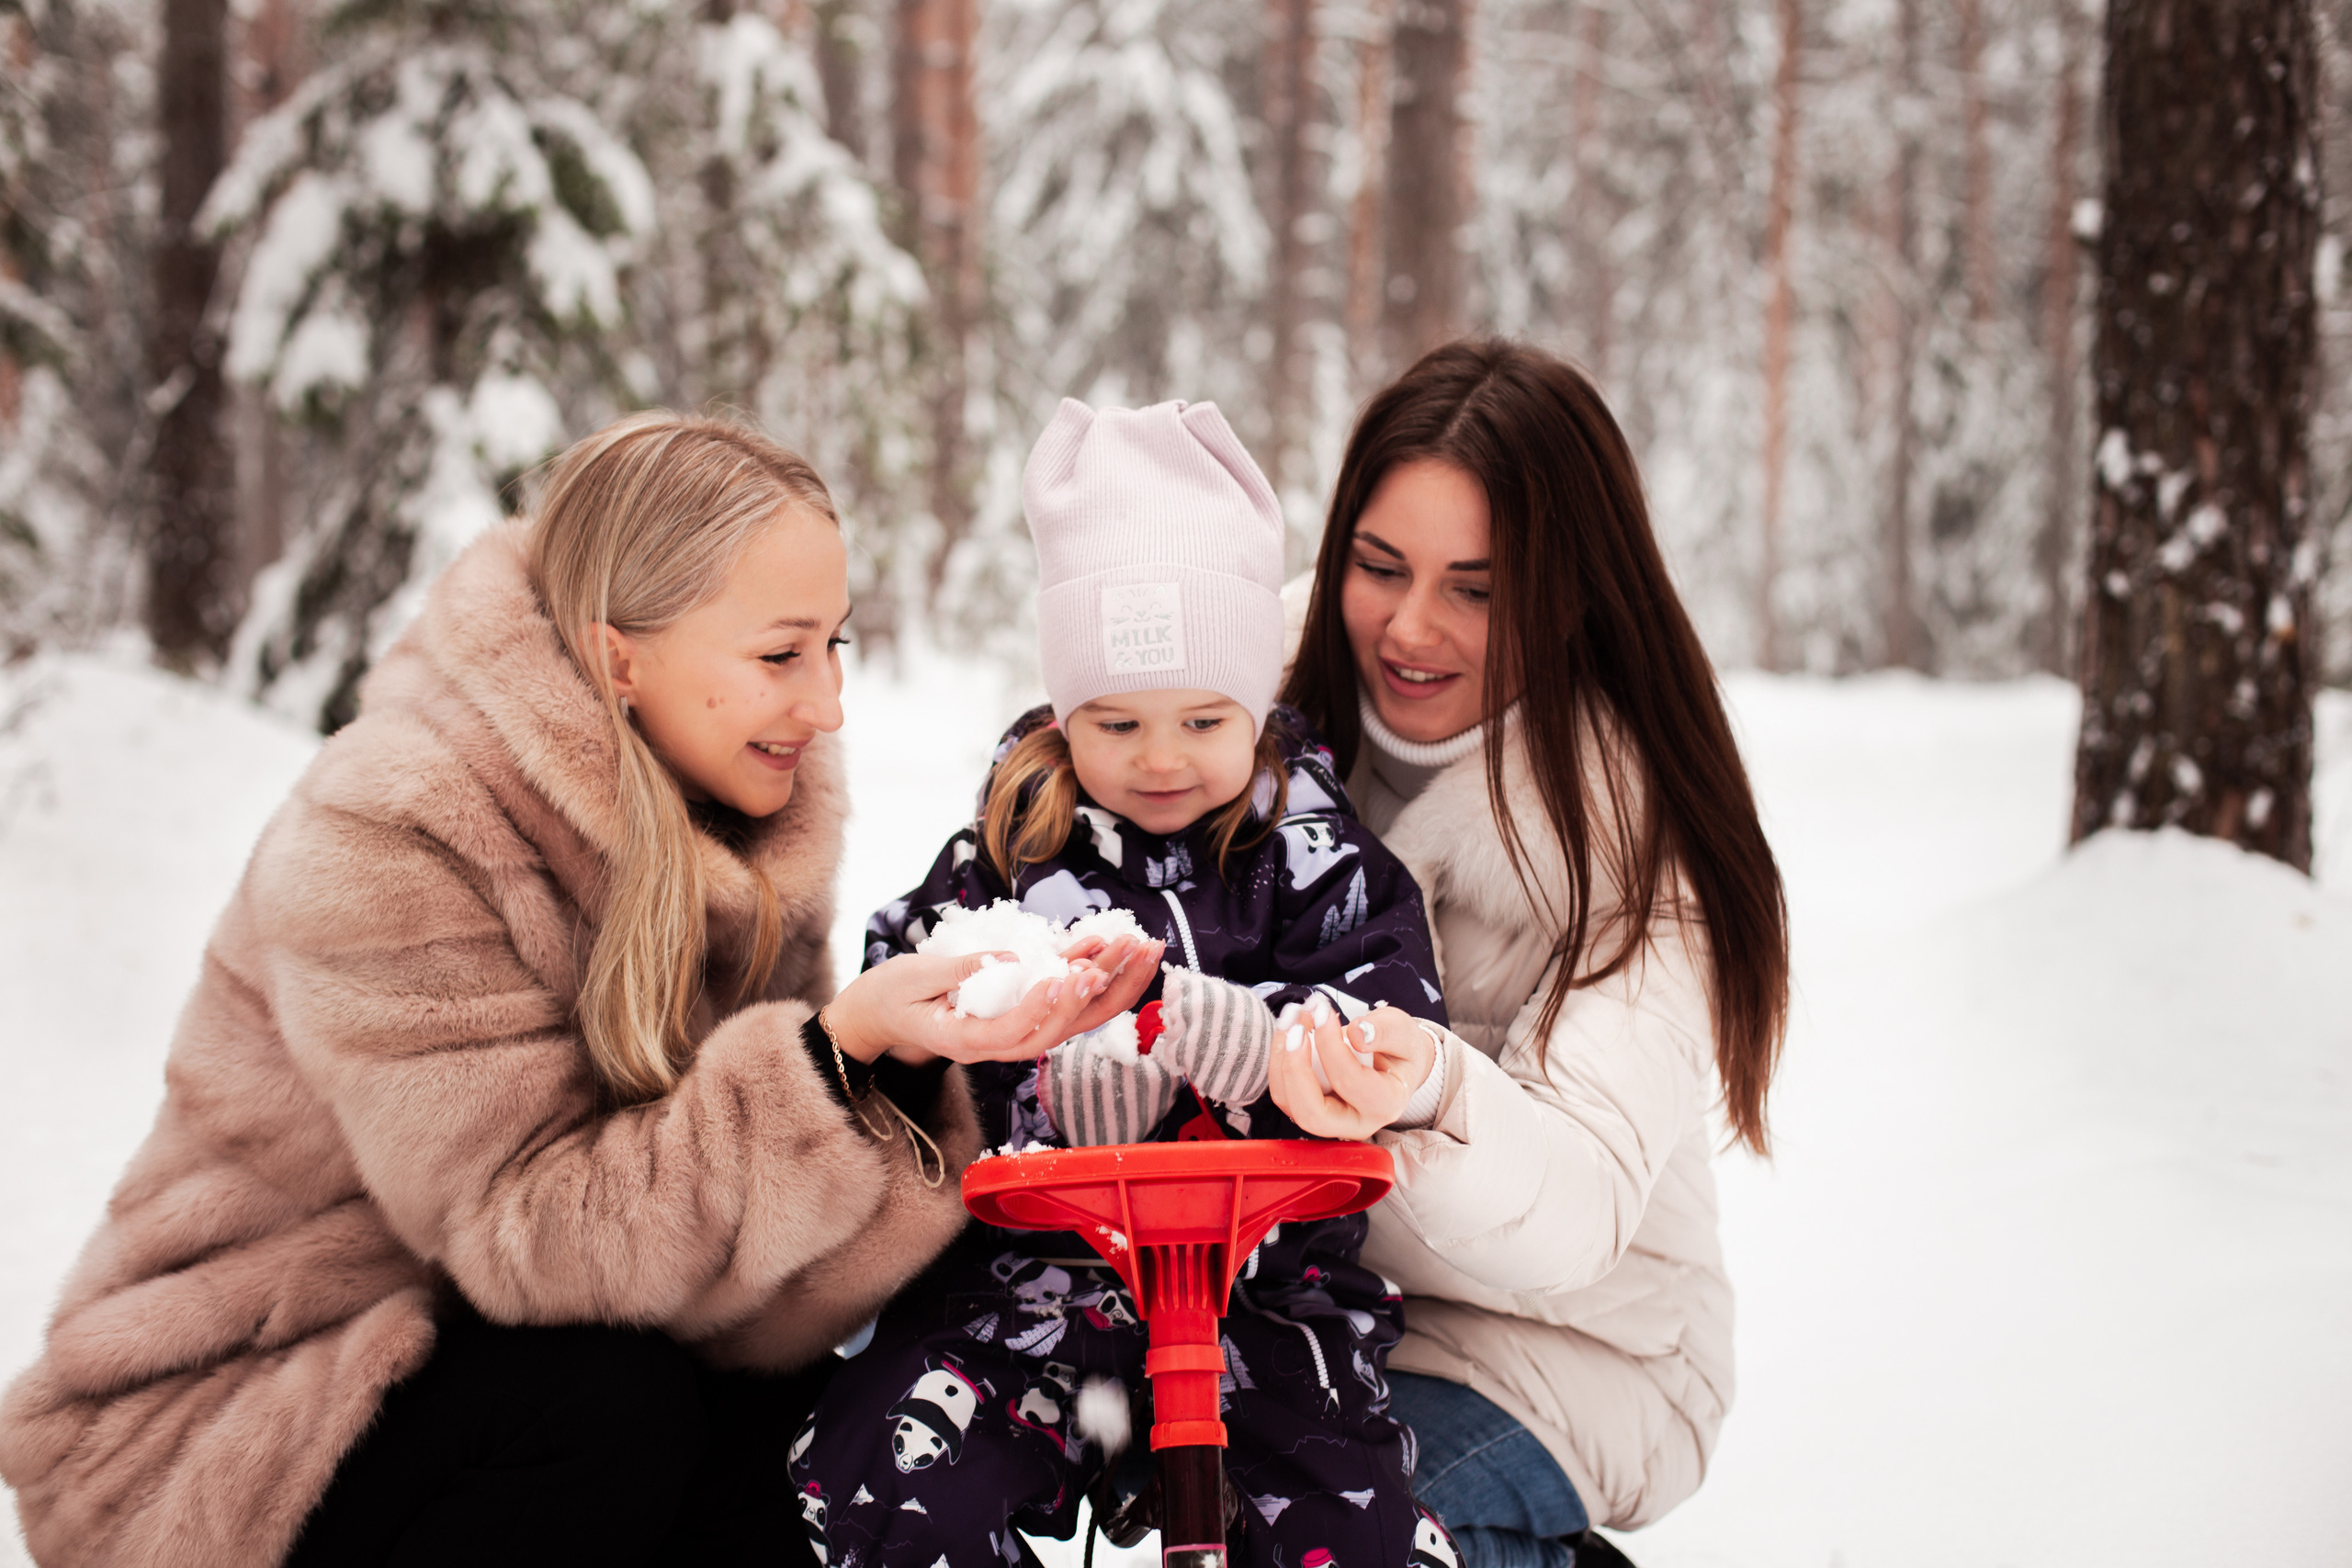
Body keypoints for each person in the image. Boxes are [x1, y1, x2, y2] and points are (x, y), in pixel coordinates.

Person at [0, 412, 1155, 1568]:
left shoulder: (748, 825)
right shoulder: (398, 825)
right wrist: (824, 1062)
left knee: (786, 1429)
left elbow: (730, 1298)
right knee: (609, 1407)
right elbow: (528, 1239)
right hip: (231, 1433)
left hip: (489, 1379)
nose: (827, 705)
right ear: (618, 658)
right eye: (780, 654)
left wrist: (896, 1070)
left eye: (836, 645)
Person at [790, 399, 1459, 1567]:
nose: (1159, 757)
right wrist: (1029, 1083)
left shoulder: (1312, 860)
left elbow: (1388, 1031)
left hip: (1258, 1310)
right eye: (1116, 720)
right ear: (1063, 711)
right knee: (883, 1485)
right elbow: (905, 1008)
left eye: (1203, 718)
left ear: (1253, 703)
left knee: (1356, 1543)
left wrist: (1237, 1042)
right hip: (1028, 1298)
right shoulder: (1007, 848)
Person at [1269, 340, 1791, 1566]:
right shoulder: (1235, 710)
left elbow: (1583, 1201)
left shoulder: (1626, 830)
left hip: (1571, 1343)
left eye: (1476, 588)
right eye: (1379, 566)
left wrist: (1436, 1089)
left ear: (1568, 592)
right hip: (1312, 1321)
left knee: (1344, 1543)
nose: (1409, 626)